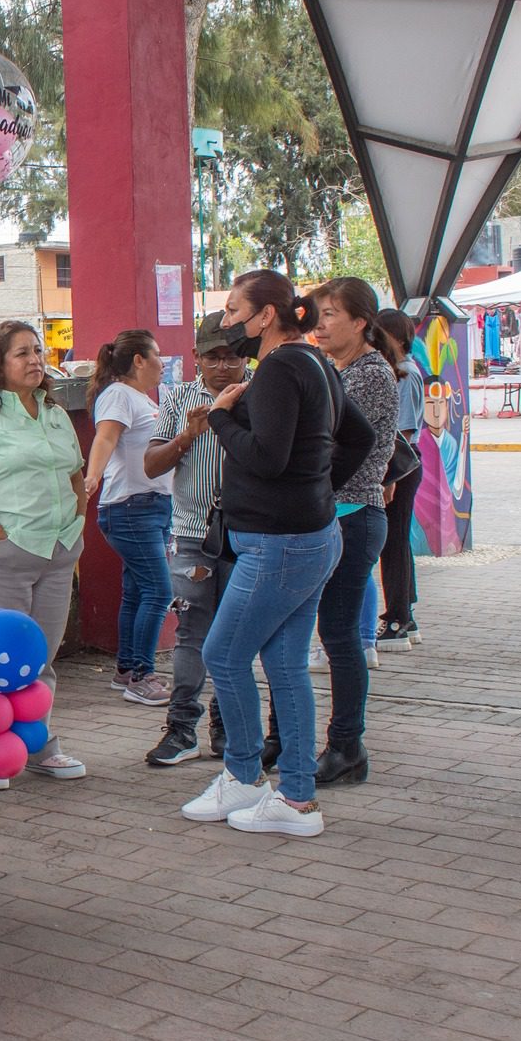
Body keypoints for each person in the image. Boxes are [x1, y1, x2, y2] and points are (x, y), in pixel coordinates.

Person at [179, 269, 373, 838]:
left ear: (266, 315)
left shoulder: (285, 366)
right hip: (302, 536)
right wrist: (317, 489)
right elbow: (354, 440)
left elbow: (266, 457)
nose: (228, 321)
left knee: (225, 655)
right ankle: (296, 797)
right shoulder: (312, 361)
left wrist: (218, 417)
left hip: (281, 545)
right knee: (284, 665)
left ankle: (243, 774)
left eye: (235, 309)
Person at [0, 322, 88, 789]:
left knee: (41, 656)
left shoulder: (55, 413)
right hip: (2, 556)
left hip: (57, 550)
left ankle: (40, 743)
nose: (34, 360)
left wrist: (77, 522)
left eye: (37, 351)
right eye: (21, 353)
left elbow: (74, 475)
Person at [307, 278, 402, 788]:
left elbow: (331, 443)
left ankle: (346, 744)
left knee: (340, 637)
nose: (318, 325)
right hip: (332, 514)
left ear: (360, 322)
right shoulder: (340, 369)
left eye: (328, 315)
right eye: (316, 315)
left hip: (353, 514)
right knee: (329, 635)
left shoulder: (368, 375)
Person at [144, 315, 245, 766]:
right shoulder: (180, 397)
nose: (223, 367)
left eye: (232, 357)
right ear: (196, 358)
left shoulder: (260, 393)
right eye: (213, 357)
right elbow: (151, 465)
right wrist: (188, 434)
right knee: (191, 634)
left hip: (248, 534)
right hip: (192, 535)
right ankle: (181, 728)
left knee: (238, 636)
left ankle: (228, 728)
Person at [83, 330, 172, 707]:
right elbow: (105, 438)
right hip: (132, 508)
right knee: (159, 591)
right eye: (156, 354)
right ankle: (141, 676)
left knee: (138, 591)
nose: (162, 362)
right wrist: (92, 476)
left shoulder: (143, 397)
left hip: (151, 506)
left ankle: (127, 667)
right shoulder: (119, 394)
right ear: (139, 359)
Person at [375, 308, 423, 647]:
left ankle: (397, 618)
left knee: (393, 542)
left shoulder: (404, 373)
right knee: (396, 540)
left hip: (400, 464)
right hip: (401, 462)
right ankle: (405, 613)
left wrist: (388, 477)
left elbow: (402, 430)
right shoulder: (402, 371)